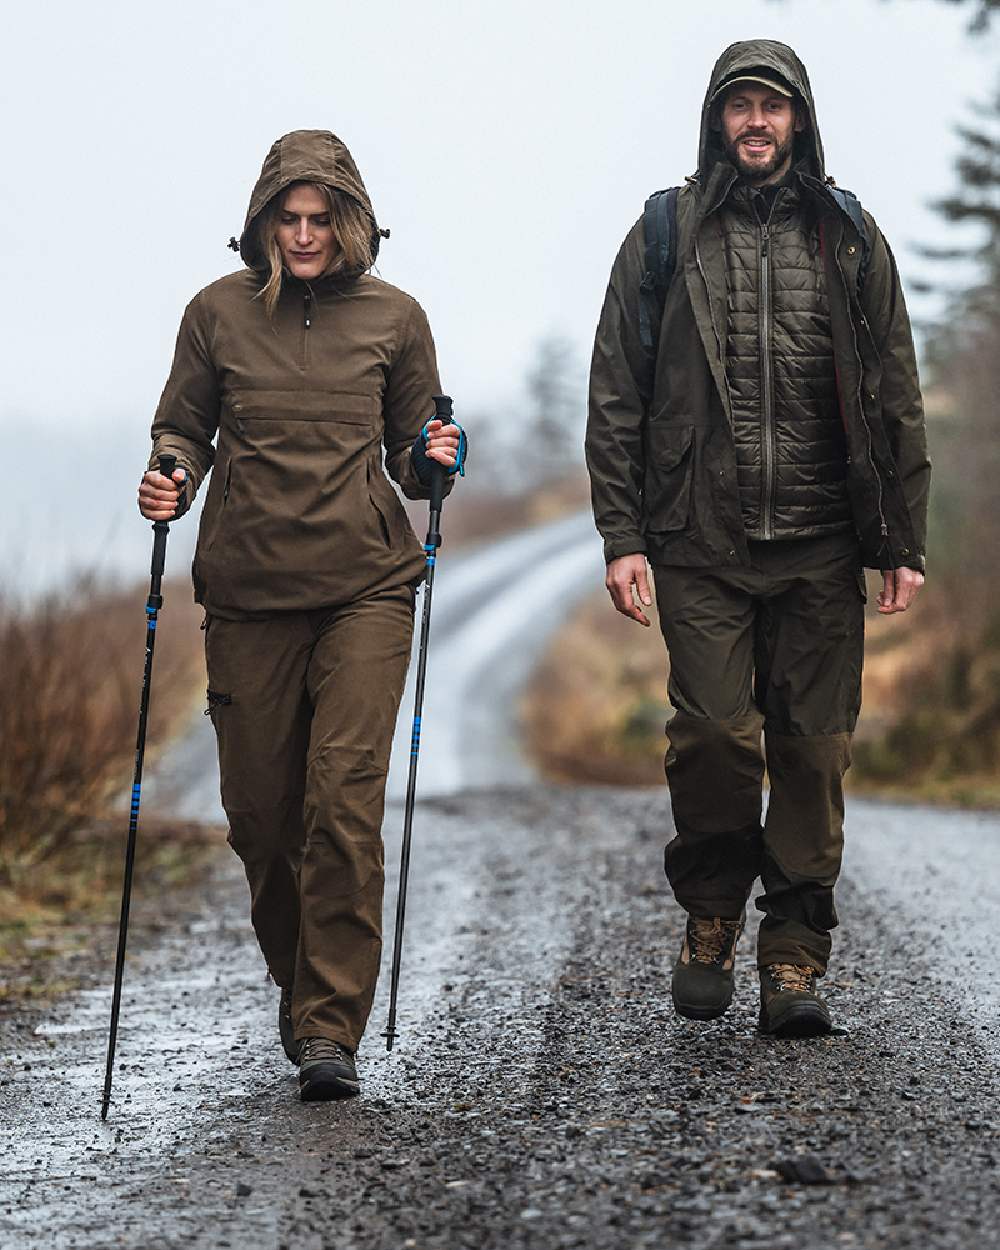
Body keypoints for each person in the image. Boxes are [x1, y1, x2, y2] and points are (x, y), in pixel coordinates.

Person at [586, 41, 928, 1036]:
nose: (754, 122)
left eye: (769, 107)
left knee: (814, 754)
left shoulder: (848, 237)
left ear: (799, 119)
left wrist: (899, 536)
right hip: (701, 543)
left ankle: (792, 957)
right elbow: (617, 393)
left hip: (822, 545)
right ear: (716, 119)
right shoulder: (663, 235)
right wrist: (623, 532)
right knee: (714, 739)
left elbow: (893, 391)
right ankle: (709, 914)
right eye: (738, 105)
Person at [138, 129, 465, 1099]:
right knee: (261, 820)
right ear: (262, 220)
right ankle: (300, 984)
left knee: (342, 804)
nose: (306, 234)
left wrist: (437, 455)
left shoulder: (395, 317)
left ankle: (330, 1025)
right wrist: (170, 476)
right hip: (246, 591)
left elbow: (413, 456)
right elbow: (180, 428)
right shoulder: (216, 315)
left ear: (352, 221)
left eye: (323, 218)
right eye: (290, 217)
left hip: (366, 587)